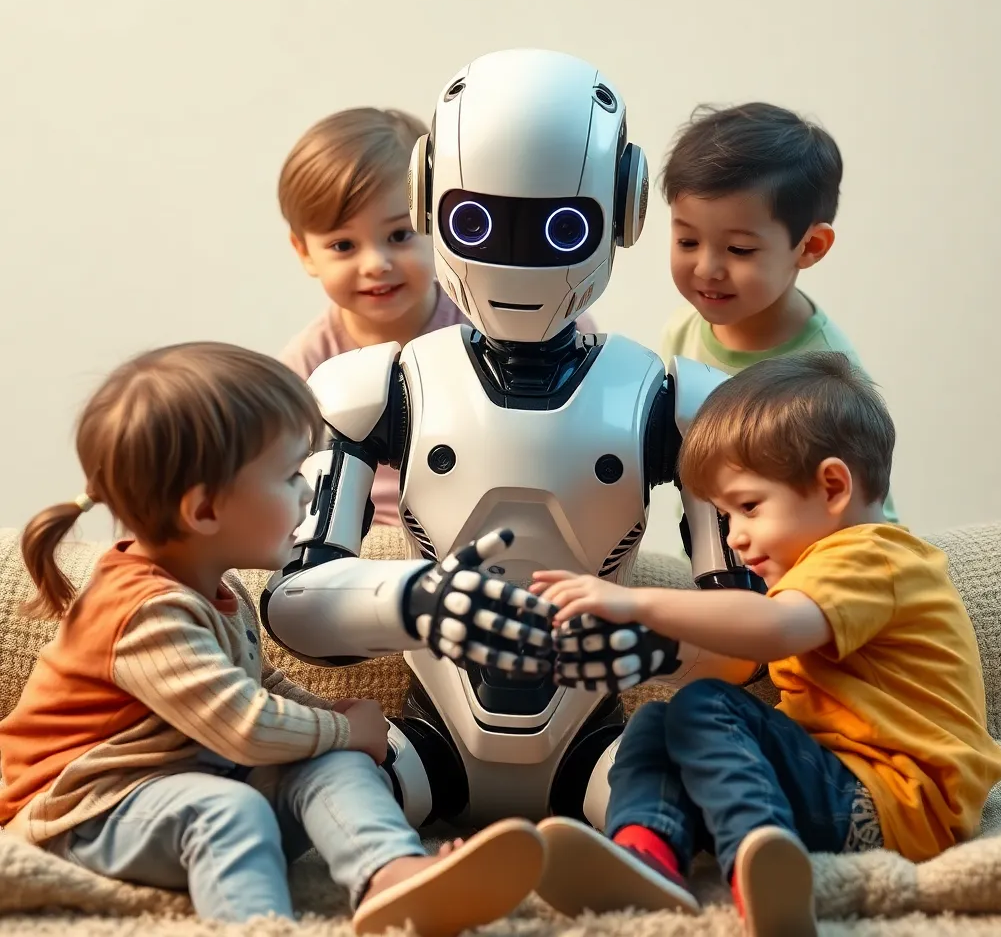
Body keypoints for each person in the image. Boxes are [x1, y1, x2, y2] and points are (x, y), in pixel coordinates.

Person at [0, 342, 544, 934]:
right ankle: (259, 926)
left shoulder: (215, 583)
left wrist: (332, 721)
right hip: (83, 812)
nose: (309, 494)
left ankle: (390, 874)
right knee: (229, 811)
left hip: (180, 785)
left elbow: (259, 682)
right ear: (205, 511)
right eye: (290, 477)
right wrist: (345, 727)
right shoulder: (144, 614)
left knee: (330, 761)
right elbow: (245, 725)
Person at [530, 351, 1001, 935]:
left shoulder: (873, 555)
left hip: (898, 802)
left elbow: (776, 628)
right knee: (658, 721)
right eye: (726, 516)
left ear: (832, 486)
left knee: (706, 706)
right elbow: (742, 649)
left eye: (749, 507)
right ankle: (645, 851)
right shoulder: (817, 573)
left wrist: (635, 601)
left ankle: (760, 852)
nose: (736, 537)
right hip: (833, 788)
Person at [276, 106, 598, 527]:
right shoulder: (311, 360)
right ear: (304, 252)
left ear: (437, 223)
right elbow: (281, 469)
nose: (375, 263)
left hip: (499, 518)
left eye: (399, 235)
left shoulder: (495, 321)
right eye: (343, 246)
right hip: (367, 535)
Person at [658, 101, 897, 524]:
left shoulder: (825, 375)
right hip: (711, 561)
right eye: (688, 242)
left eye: (739, 250)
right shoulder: (683, 332)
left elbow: (868, 520)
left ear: (809, 248)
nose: (706, 269)